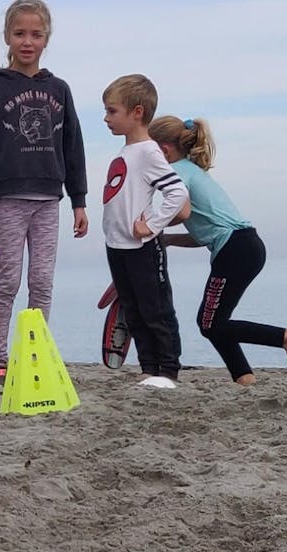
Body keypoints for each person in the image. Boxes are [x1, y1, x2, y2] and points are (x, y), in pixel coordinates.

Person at [0, 0, 88, 387]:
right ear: (7, 37)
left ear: (46, 38)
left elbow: (73, 146)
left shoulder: (59, 89)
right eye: (20, 34)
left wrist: (79, 201)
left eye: (36, 34)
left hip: (50, 199)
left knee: (42, 282)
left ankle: (34, 355)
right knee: (8, 281)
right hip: (7, 199)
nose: (27, 42)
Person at [149, 116, 287, 384]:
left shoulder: (178, 172)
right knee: (214, 322)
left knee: (210, 323)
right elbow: (206, 234)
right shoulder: (193, 172)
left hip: (236, 251)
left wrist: (149, 226)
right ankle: (244, 377)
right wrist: (170, 240)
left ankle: (286, 336)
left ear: (162, 150)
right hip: (244, 247)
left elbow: (178, 209)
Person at [100, 74, 191, 388]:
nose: (106, 118)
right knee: (133, 310)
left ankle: (168, 369)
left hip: (142, 248)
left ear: (136, 112)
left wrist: (151, 225)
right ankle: (148, 367)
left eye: (113, 111)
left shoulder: (150, 152)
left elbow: (177, 194)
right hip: (117, 246)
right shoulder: (126, 152)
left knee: (156, 309)